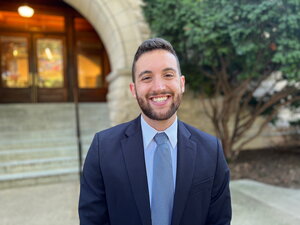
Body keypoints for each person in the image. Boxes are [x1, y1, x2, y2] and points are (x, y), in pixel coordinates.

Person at [79, 38, 232, 225]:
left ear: (181, 83)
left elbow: (219, 221)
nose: (159, 87)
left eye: (168, 75)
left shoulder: (211, 150)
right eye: (146, 78)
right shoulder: (102, 149)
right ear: (133, 90)